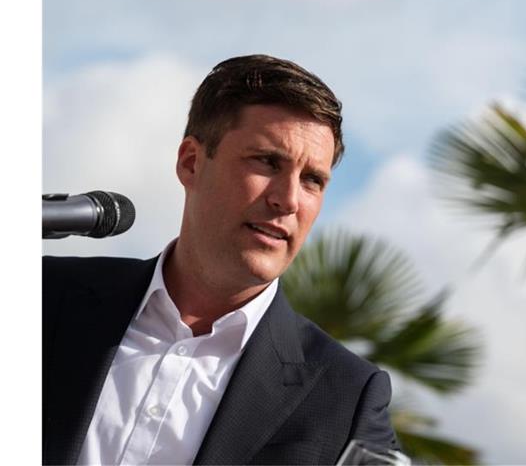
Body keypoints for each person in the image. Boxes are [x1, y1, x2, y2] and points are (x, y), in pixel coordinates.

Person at [43, 55, 399, 465]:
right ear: (191, 163)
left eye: (312, 180)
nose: (288, 200)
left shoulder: (347, 396)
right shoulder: (43, 295)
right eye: (267, 162)